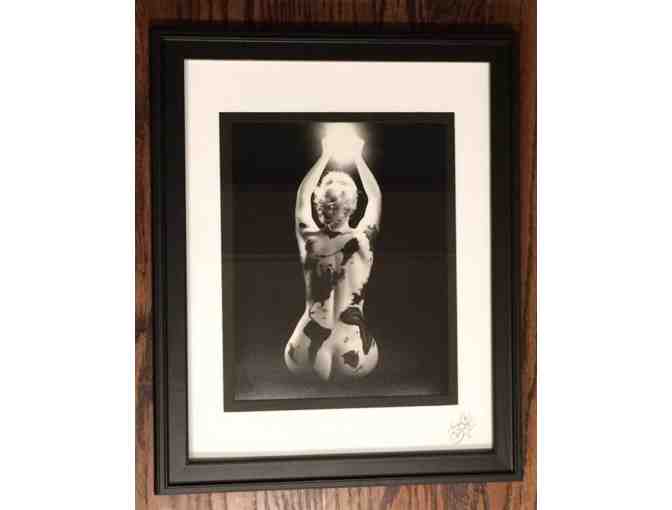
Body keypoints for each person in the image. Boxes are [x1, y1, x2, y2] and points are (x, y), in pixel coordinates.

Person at [284, 133, 382, 381]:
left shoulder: (310, 239)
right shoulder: (363, 240)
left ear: (320, 205)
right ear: (352, 205)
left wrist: (324, 154)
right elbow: (375, 197)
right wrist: (358, 157)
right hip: (354, 350)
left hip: (303, 351)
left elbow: (302, 196)